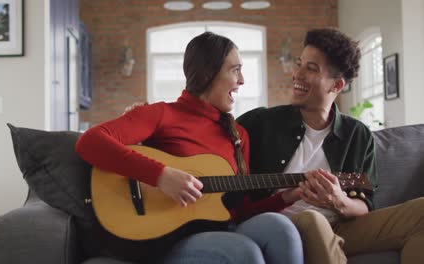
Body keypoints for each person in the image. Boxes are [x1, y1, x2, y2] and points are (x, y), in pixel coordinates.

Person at [76, 32, 303, 264]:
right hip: (166, 238)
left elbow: (238, 212)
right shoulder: (161, 114)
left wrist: (288, 196)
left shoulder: (238, 135)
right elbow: (90, 142)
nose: (242, 80)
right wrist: (161, 175)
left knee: (281, 229)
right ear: (208, 73)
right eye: (235, 70)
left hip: (220, 229)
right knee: (243, 252)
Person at [233, 27, 424, 264]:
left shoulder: (357, 135)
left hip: (342, 226)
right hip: (286, 229)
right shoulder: (261, 122)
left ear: (337, 85)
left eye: (311, 68)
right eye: (299, 64)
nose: (297, 74)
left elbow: (364, 203)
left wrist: (337, 200)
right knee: (312, 219)